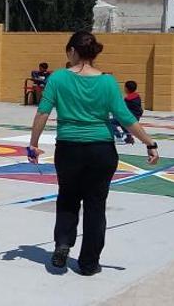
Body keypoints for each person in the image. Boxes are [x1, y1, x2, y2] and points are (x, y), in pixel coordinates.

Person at [29, 31, 158, 276]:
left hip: (68, 149)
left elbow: (42, 112)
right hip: (101, 151)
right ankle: (89, 263)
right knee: (95, 205)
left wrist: (34, 143)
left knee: (67, 198)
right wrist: (149, 142)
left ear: (72, 52)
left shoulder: (57, 79)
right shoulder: (108, 82)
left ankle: (63, 244)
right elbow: (125, 117)